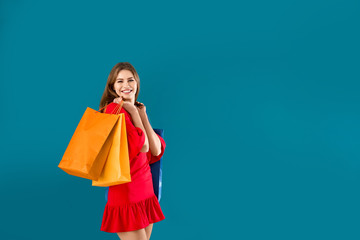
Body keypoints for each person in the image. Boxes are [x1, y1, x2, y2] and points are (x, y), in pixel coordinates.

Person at [98, 62, 166, 240]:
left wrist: (141, 113)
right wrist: (134, 113)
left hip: (145, 192)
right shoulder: (114, 110)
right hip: (126, 193)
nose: (126, 85)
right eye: (120, 81)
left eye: (130, 80)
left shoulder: (134, 108)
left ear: (137, 83)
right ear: (113, 86)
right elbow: (141, 146)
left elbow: (155, 149)